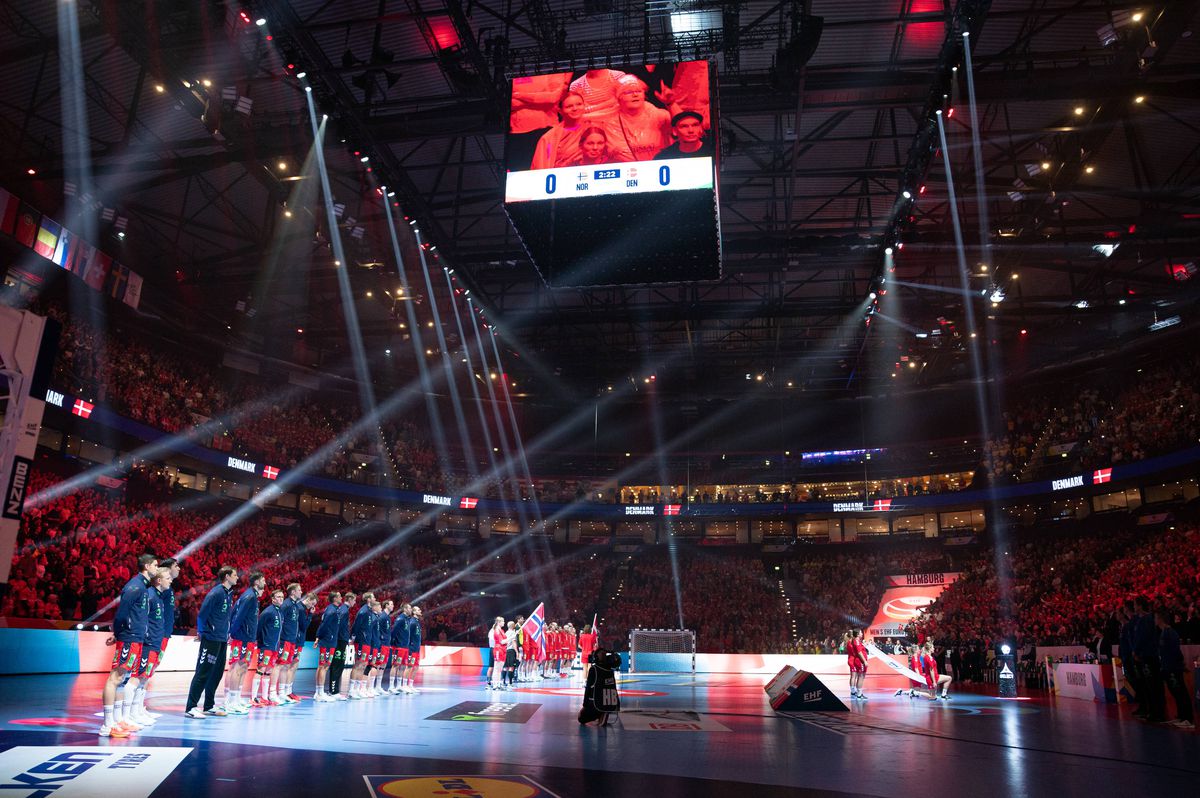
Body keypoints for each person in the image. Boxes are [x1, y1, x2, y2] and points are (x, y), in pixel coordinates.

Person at [99, 553, 156, 737]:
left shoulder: (143, 587)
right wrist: (118, 634)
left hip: (136, 638)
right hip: (129, 637)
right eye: (155, 565)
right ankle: (107, 725)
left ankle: (117, 720)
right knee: (114, 678)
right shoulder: (135, 586)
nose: (157, 569)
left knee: (122, 680)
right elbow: (121, 614)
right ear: (147, 566)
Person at [185, 564, 237, 719]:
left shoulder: (228, 594)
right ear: (227, 576)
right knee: (203, 672)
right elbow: (202, 614)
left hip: (221, 639)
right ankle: (191, 707)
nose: (237, 577)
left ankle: (209, 705)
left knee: (217, 673)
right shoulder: (216, 593)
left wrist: (227, 632)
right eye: (234, 575)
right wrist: (202, 632)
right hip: (211, 638)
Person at [130, 566, 172, 727]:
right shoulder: (150, 595)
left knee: (145, 677)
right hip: (148, 643)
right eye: (168, 578)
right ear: (159, 580)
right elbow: (141, 618)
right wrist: (145, 637)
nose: (171, 581)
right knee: (138, 677)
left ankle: (138, 710)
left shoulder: (159, 597)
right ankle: (131, 713)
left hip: (155, 642)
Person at [605, 75, 673, 163]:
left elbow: (684, 124)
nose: (635, 95)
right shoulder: (609, 123)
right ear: (618, 97)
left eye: (638, 91)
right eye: (628, 92)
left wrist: (671, 103)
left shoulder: (659, 116)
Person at [225, 571, 265, 715]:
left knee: (243, 667)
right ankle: (231, 702)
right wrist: (232, 633)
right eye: (263, 580)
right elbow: (237, 615)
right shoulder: (249, 596)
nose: (265, 583)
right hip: (241, 637)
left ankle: (236, 698)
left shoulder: (252, 596)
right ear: (256, 582)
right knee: (237, 667)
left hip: (248, 638)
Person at [530, 91, 589, 169]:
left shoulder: (594, 127)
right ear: (560, 111)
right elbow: (541, 167)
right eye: (569, 106)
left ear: (584, 105)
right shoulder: (549, 138)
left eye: (579, 104)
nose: (575, 108)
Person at [1156, 610, 1193, 729]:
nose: (1155, 620)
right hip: (1168, 667)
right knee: (1175, 692)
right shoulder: (1164, 633)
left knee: (1180, 692)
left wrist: (1179, 665)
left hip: (1173, 668)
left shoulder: (1170, 633)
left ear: (1160, 619)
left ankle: (1188, 718)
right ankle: (1181, 716)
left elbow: (1175, 651)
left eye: (1156, 618)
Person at [1133, 596, 1165, 722]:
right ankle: (1152, 710)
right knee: (1149, 685)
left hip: (1148, 656)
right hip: (1145, 656)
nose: (1134, 607)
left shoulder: (1146, 619)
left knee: (1153, 685)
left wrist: (1136, 651)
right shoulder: (1142, 619)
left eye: (1135, 605)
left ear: (1140, 606)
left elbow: (1143, 637)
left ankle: (1157, 712)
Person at [253, 589, 285, 706]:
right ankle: (253, 698)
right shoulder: (268, 612)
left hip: (274, 647)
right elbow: (259, 627)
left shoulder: (280, 612)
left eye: (282, 597)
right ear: (273, 599)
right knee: (261, 669)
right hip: (265, 646)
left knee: (269, 671)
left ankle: (265, 698)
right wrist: (259, 642)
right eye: (278, 597)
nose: (281, 599)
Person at [275, 583, 303, 704]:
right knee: (280, 665)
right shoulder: (286, 605)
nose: (301, 592)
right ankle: (276, 693)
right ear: (293, 592)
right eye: (299, 590)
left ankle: (283, 693)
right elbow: (280, 621)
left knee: (286, 665)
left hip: (292, 641)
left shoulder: (295, 605)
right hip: (285, 640)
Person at [314, 591, 342, 702]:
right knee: (323, 666)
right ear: (335, 598)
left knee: (324, 666)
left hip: (331, 641)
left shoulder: (334, 610)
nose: (341, 598)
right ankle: (319, 693)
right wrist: (318, 637)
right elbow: (324, 625)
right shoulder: (331, 610)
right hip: (327, 641)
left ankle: (319, 692)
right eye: (339, 596)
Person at [348, 591, 375, 699]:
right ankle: (351, 690)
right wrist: (352, 637)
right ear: (368, 599)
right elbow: (356, 625)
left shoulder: (369, 611)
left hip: (367, 641)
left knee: (363, 665)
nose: (375, 599)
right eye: (373, 597)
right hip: (361, 641)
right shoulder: (363, 611)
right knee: (358, 665)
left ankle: (357, 689)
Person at [329, 591, 355, 697]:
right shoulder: (344, 610)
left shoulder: (344, 610)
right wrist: (343, 638)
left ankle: (335, 691)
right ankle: (334, 691)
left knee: (339, 665)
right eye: (354, 600)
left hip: (342, 640)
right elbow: (339, 626)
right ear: (350, 600)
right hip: (340, 641)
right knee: (337, 665)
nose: (355, 602)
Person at [371, 599, 394, 697]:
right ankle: (371, 687)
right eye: (391, 604)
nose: (393, 606)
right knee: (377, 664)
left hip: (386, 644)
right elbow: (377, 629)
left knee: (383, 665)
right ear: (386, 605)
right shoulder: (382, 616)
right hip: (381, 644)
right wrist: (381, 639)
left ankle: (378, 686)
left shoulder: (387, 617)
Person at [389, 602, 413, 694]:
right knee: (395, 665)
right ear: (405, 609)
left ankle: (399, 686)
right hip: (399, 646)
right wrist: (393, 643)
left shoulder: (407, 619)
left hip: (405, 646)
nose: (411, 610)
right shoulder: (400, 619)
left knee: (403, 666)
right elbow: (394, 632)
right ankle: (391, 686)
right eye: (409, 608)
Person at [402, 605, 423, 693]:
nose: (420, 611)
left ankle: (410, 685)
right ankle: (404, 685)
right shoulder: (412, 622)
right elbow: (408, 635)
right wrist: (409, 646)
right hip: (411, 648)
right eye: (418, 610)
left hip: (417, 648)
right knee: (409, 666)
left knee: (416, 667)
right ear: (414, 612)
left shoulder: (417, 622)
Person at [847, 630, 869, 700]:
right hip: (858, 660)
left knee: (858, 676)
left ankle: (856, 692)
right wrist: (864, 661)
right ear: (857, 634)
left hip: (856, 660)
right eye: (861, 632)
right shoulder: (855, 641)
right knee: (860, 676)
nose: (862, 634)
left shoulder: (855, 641)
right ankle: (858, 694)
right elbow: (859, 652)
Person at [489, 616, 507, 690]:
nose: (504, 622)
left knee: (500, 669)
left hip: (503, 649)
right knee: (496, 668)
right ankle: (495, 685)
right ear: (499, 622)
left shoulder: (501, 630)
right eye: (503, 621)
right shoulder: (497, 630)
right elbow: (501, 641)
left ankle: (498, 684)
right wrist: (511, 637)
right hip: (498, 649)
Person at [502, 620, 519, 689]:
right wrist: (517, 652)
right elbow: (513, 642)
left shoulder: (505, 633)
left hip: (505, 651)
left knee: (505, 667)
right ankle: (510, 683)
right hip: (511, 651)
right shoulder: (513, 633)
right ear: (513, 626)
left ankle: (503, 682)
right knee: (511, 667)